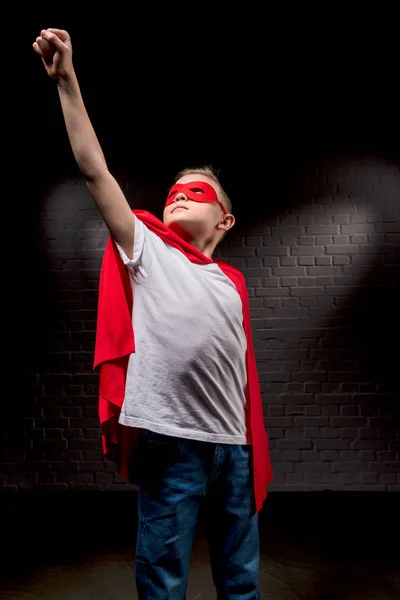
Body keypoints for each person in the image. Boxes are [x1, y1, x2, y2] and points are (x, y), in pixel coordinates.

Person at [33, 28, 273, 600]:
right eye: (174, 191)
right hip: (173, 445)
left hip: (233, 448)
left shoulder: (233, 283)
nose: (179, 195)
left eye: (196, 192)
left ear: (225, 222)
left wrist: (247, 442)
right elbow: (95, 170)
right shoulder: (147, 248)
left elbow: (243, 376)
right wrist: (67, 80)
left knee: (241, 581)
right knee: (163, 581)